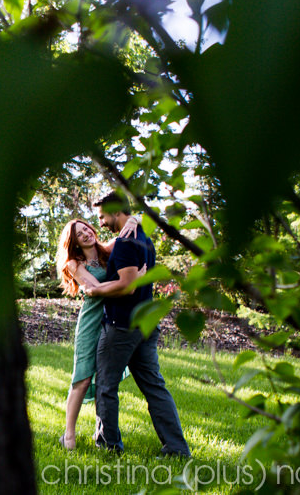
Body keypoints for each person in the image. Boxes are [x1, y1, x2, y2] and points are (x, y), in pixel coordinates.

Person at [88, 192, 191, 457]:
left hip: (122, 325)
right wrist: (135, 218)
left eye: (101, 216)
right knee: (155, 387)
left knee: (106, 386)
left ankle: (108, 446)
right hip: (145, 324)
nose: (100, 222)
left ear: (114, 211)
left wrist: (95, 291)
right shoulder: (142, 235)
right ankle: (177, 448)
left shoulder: (124, 243)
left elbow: (127, 286)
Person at [56, 216, 143, 450]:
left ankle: (104, 432)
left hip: (111, 321)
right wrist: (135, 279)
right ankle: (69, 435)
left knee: (104, 377)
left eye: (86, 229)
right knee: (82, 379)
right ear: (74, 242)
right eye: (79, 234)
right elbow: (96, 290)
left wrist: (134, 220)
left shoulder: (107, 249)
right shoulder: (74, 264)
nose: (85, 234)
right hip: (90, 323)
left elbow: (139, 220)